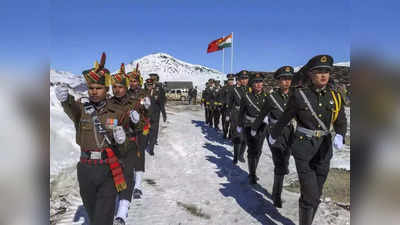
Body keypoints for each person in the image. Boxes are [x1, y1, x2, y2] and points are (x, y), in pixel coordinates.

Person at [54, 53, 138, 225]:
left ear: (106, 89)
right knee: (93, 216)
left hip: (108, 169)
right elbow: (70, 107)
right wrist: (65, 100)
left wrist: (122, 141)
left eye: (98, 88)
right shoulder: (82, 108)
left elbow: (126, 148)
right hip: (85, 169)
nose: (93, 91)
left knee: (102, 220)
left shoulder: (118, 111)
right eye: (90, 87)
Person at [269, 55, 347, 225]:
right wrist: (274, 134)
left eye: (326, 71)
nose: (324, 75)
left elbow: (341, 120)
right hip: (303, 147)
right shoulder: (300, 95)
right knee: (310, 194)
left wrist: (340, 134)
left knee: (315, 195)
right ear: (310, 75)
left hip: (324, 149)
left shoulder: (336, 96)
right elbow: (285, 118)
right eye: (319, 71)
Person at [109, 63, 149, 225]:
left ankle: (123, 211)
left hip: (131, 140)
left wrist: (142, 114)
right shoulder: (108, 102)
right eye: (114, 86)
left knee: (129, 170)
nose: (117, 89)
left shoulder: (135, 101)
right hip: (112, 145)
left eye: (121, 86)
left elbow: (144, 117)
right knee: (113, 175)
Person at [252, 66, 296, 207]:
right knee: (279, 163)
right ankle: (276, 195)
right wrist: (254, 128)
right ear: (278, 81)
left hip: (290, 132)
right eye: (283, 79)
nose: (286, 82)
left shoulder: (295, 95)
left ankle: (279, 181)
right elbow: (262, 114)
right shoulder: (272, 97)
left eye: (289, 79)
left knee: (285, 160)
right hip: (274, 133)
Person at [237, 73, 267, 184]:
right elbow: (241, 113)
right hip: (249, 126)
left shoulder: (267, 97)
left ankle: (253, 170)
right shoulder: (246, 97)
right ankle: (252, 174)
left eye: (260, 82)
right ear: (252, 84)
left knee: (258, 150)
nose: (258, 84)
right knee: (252, 150)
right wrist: (240, 125)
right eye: (256, 82)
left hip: (263, 127)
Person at [127, 67, 151, 200]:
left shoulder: (144, 93)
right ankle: (128, 179)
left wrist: (147, 106)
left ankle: (138, 186)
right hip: (129, 129)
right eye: (130, 81)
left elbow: (149, 111)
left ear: (139, 81)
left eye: (134, 81)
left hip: (141, 128)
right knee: (128, 154)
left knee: (140, 154)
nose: (132, 83)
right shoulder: (125, 94)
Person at [227, 70, 250, 164]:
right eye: (243, 78)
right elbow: (230, 103)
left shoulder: (250, 89)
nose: (245, 80)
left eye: (246, 78)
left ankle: (241, 155)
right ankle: (236, 156)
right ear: (239, 79)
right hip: (237, 114)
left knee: (245, 137)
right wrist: (229, 114)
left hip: (248, 115)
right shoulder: (234, 89)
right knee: (238, 136)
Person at [221, 74, 235, 139]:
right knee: (226, 122)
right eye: (230, 80)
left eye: (232, 80)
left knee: (233, 123)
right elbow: (220, 97)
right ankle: (225, 133)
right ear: (227, 80)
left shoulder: (236, 88)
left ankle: (230, 135)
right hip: (226, 108)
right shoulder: (224, 88)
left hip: (233, 109)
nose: (231, 81)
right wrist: (223, 103)